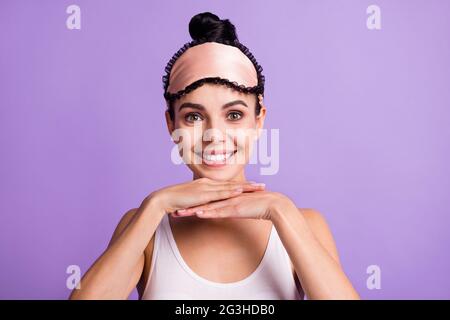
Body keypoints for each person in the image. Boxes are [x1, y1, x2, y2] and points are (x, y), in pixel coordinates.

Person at [69, 11, 360, 300]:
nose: (214, 135)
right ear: (171, 124)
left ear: (258, 121)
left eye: (234, 114)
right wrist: (155, 205)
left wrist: (280, 210)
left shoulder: (304, 224)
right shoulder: (145, 226)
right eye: (194, 116)